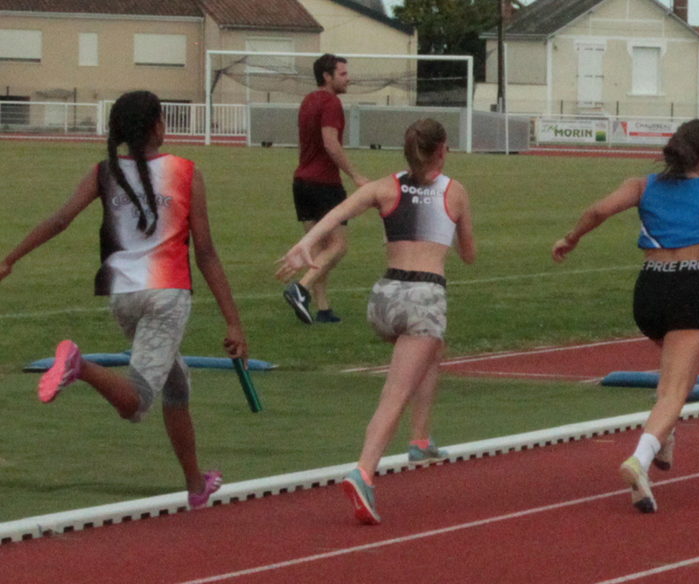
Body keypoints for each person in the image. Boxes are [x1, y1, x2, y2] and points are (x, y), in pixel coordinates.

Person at [0, 90, 248, 509]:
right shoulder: (186, 172)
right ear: (156, 126)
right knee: (136, 404)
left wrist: (10, 259)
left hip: (122, 298)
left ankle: (195, 484)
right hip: (167, 296)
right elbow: (205, 253)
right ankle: (79, 365)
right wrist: (233, 321)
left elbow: (60, 220)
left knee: (176, 380)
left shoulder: (105, 172)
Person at [552, 119, 699, 514]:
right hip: (688, 288)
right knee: (675, 390)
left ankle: (665, 437)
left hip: (648, 291)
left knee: (680, 373)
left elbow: (598, 210)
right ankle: (640, 460)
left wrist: (570, 238)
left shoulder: (641, 185)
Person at [276, 119, 475, 524]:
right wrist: (448, 230)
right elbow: (469, 255)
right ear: (443, 150)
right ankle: (363, 471)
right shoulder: (454, 192)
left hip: (383, 301)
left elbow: (339, 211)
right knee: (395, 393)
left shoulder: (386, 187)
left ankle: (421, 438)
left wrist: (304, 244)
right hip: (423, 298)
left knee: (432, 349)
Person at [283, 53, 370, 325]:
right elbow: (331, 143)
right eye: (342, 74)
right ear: (327, 76)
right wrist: (356, 176)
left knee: (317, 249)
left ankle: (323, 310)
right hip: (324, 184)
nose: (348, 78)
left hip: (301, 183)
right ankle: (300, 289)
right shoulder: (332, 103)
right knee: (338, 246)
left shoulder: (308, 100)